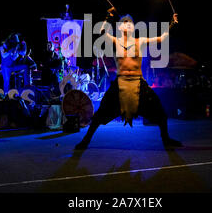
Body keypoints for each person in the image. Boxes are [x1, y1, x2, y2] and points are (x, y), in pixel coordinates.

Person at [75, 8, 182, 149]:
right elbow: (101, 33)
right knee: (100, 115)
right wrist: (108, 16)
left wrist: (172, 23)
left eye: (130, 22)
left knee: (161, 113)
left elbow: (162, 38)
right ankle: (86, 141)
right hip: (120, 84)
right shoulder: (115, 41)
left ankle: (166, 140)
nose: (128, 24)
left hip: (139, 83)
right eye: (125, 22)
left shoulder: (141, 41)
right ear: (119, 27)